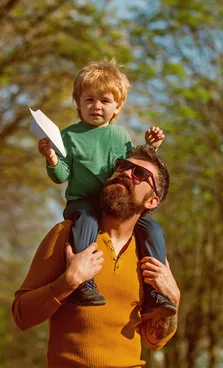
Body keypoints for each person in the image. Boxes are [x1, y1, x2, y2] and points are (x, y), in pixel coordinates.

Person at [13, 145, 180, 367]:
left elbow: (152, 341)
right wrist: (68, 282)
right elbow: (21, 315)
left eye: (140, 174)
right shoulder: (66, 235)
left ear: (151, 201)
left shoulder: (152, 257)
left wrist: (174, 302)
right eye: (123, 166)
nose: (126, 173)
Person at [37, 58, 175, 318]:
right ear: (78, 103)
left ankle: (155, 292)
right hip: (83, 202)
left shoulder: (120, 135)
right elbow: (61, 175)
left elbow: (134, 166)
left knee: (153, 229)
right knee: (86, 220)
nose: (96, 106)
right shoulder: (69, 136)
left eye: (105, 101)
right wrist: (52, 159)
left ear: (117, 106)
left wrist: (151, 146)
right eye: (89, 100)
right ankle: (83, 282)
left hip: (115, 205)